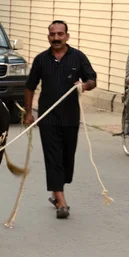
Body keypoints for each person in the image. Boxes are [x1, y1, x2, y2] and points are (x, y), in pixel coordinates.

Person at [24, 20, 97, 219]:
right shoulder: (41, 60)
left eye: (60, 34)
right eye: (52, 34)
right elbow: (30, 86)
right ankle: (61, 202)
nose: (56, 38)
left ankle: (57, 191)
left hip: (71, 118)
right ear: (48, 37)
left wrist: (85, 86)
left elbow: (92, 79)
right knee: (53, 158)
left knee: (66, 160)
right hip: (48, 118)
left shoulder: (78, 57)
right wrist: (29, 113)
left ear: (67, 36)